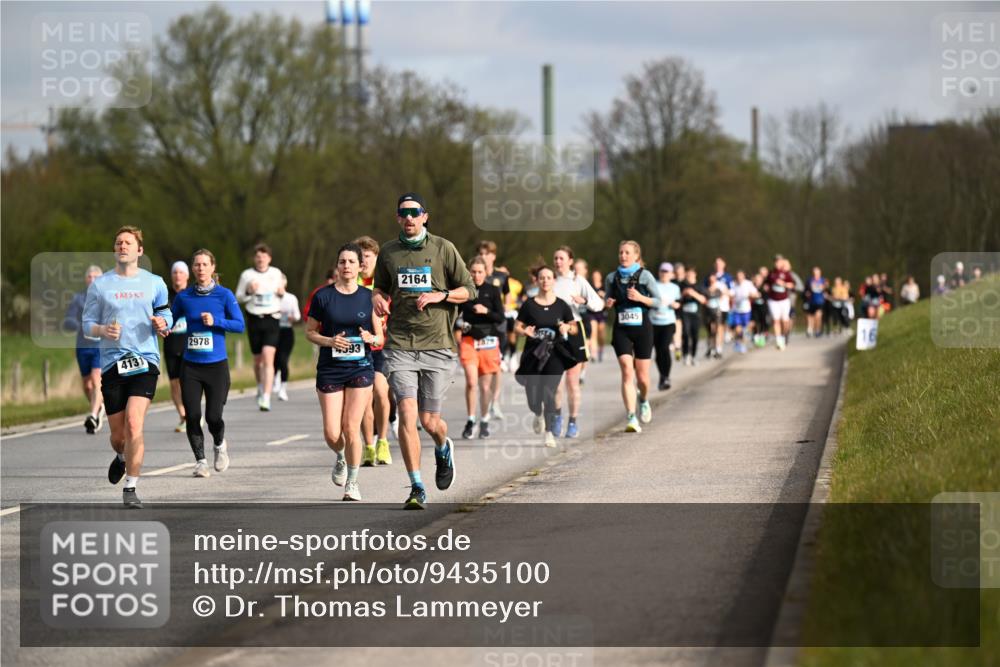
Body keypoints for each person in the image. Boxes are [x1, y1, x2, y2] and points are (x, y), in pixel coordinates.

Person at [373, 193, 475, 510]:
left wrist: (439, 295)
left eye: (415, 213)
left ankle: (443, 447)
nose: (409, 218)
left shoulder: (443, 248)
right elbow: (380, 286)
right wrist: (376, 297)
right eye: (403, 213)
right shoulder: (388, 252)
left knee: (431, 422)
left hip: (438, 345)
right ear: (397, 218)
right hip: (401, 344)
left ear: (425, 216)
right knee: (407, 414)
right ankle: (417, 486)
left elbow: (468, 290)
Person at [82, 226, 172, 508]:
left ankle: (130, 488)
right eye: (118, 242)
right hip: (112, 364)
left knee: (135, 424)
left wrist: (163, 324)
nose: (122, 246)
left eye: (128, 242)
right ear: (114, 250)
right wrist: (103, 330)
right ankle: (122, 456)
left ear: (139, 250)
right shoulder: (100, 285)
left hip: (146, 360)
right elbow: (87, 325)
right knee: (119, 436)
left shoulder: (155, 282)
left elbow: (165, 313)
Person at [306, 242, 384, 502]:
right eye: (343, 262)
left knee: (351, 427)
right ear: (337, 266)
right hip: (330, 368)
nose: (347, 266)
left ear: (360, 266)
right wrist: (330, 341)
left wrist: (370, 336)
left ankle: (353, 481)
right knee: (332, 433)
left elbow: (379, 336)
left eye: (352, 262)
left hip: (360, 367)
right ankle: (340, 455)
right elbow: (310, 332)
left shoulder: (369, 297)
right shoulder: (322, 296)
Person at [171, 249, 245, 478]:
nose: (201, 268)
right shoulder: (184, 297)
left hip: (216, 366)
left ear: (213, 268)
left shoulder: (224, 295)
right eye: (197, 265)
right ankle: (200, 461)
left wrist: (216, 322)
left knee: (213, 417)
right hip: (191, 366)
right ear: (193, 269)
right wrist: (161, 325)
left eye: (205, 264)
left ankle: (220, 444)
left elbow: (239, 325)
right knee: (192, 415)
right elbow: (170, 319)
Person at [514, 265, 578, 447]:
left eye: (549, 278)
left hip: (555, 353)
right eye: (542, 278)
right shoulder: (529, 304)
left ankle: (549, 432)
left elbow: (573, 327)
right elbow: (516, 327)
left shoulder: (561, 305)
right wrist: (524, 331)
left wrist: (567, 328)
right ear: (537, 280)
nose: (545, 281)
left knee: (549, 392)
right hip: (533, 354)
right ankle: (537, 413)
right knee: (534, 397)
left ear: (554, 281)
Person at [604, 241, 658, 433]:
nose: (623, 256)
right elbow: (607, 300)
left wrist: (641, 298)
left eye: (627, 253)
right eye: (620, 253)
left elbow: (659, 301)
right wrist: (607, 303)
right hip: (622, 329)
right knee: (627, 371)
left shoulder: (646, 276)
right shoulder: (612, 278)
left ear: (636, 255)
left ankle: (643, 399)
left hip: (643, 328)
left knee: (642, 378)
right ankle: (631, 417)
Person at [552, 246, 604, 438]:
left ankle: (572, 422)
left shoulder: (577, 280)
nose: (558, 262)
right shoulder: (550, 280)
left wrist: (584, 301)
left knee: (572, 382)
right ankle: (557, 416)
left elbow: (598, 304)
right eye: (556, 258)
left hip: (574, 331)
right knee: (555, 382)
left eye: (562, 258)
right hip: (555, 333)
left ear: (570, 261)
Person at [355, 235, 394, 466]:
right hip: (359, 347)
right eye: (359, 257)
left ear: (376, 258)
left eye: (367, 257)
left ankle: (383, 441)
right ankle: (369, 446)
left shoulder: (385, 283)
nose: (362, 262)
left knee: (381, 391)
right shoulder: (352, 283)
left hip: (382, 346)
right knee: (365, 397)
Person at [456, 257, 505, 439]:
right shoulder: (464, 292)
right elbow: (454, 315)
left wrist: (486, 311)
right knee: (471, 382)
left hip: (489, 342)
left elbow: (501, 317)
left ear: (486, 273)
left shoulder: (492, 290)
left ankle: (484, 420)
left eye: (480, 272)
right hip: (469, 341)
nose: (476, 275)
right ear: (469, 272)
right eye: (473, 272)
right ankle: (470, 420)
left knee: (485, 388)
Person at [235, 243, 285, 411]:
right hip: (254, 318)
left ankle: (266, 396)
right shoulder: (247, 275)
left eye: (264, 256)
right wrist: (249, 290)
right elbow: (239, 297)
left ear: (269, 258)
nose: (261, 259)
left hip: (272, 317)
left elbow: (283, 294)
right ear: (254, 259)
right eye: (258, 256)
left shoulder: (276, 273)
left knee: (268, 357)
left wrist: (281, 292)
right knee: (257, 360)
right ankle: (259, 385)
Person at [64, 265, 105, 434]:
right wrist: (81, 326)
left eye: (96, 277)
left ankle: (93, 415)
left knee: (96, 381)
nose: (93, 280)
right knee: (87, 386)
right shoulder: (78, 299)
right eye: (90, 277)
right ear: (85, 279)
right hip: (82, 346)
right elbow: (68, 321)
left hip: (100, 346)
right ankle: (99, 407)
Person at [476, 241, 510, 418]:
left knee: (496, 366)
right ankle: (486, 401)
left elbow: (508, 294)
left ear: (493, 256)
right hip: (479, 325)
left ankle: (495, 402)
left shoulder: (501, 275)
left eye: (487, 253)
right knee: (483, 367)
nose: (484, 257)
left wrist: (507, 308)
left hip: (498, 324)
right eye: (481, 253)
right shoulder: (476, 274)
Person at [164, 261, 190, 432]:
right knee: (174, 383)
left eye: (181, 272)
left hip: (190, 344)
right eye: (175, 272)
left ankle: (192, 413)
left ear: (187, 276)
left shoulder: (192, 294)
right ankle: (184, 416)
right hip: (171, 344)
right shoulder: (165, 296)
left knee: (188, 382)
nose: (178, 275)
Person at [651, 262, 681, 390]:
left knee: (664, 348)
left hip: (668, 322)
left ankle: (666, 376)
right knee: (658, 352)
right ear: (659, 272)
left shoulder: (675, 287)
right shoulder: (653, 285)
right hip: (653, 322)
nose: (664, 273)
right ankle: (662, 376)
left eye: (667, 271)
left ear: (671, 274)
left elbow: (679, 304)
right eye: (662, 271)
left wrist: (674, 304)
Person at [273, 275, 300, 402]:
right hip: (273, 331)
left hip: (287, 331)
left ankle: (283, 389)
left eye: (281, 282)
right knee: (273, 359)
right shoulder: (271, 297)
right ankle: (275, 378)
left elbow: (298, 316)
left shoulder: (291, 298)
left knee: (283, 359)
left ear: (285, 283)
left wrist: (292, 318)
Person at [764, 255, 795, 350]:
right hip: (773, 300)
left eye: (779, 261)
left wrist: (784, 284)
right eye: (776, 261)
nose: (777, 263)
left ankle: (784, 335)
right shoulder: (771, 273)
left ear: (782, 263)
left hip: (784, 300)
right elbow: (766, 284)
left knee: (785, 321)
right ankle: (778, 340)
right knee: (776, 320)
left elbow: (792, 285)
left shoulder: (786, 273)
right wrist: (766, 287)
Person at [679, 266, 707, 364]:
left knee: (695, 336)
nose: (689, 276)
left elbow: (704, 300)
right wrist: (684, 293)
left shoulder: (699, 286)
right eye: (688, 274)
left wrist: (693, 293)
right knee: (686, 334)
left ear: (695, 274)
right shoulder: (682, 285)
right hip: (685, 314)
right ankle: (686, 355)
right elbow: (678, 299)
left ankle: (694, 356)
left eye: (691, 274)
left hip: (696, 315)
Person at [729, 270, 758, 354]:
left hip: (746, 310)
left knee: (745, 329)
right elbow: (731, 293)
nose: (739, 278)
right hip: (736, 310)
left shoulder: (748, 284)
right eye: (738, 276)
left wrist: (753, 295)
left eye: (741, 276)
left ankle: (743, 345)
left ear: (744, 276)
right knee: (738, 329)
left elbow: (755, 293)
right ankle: (738, 343)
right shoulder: (733, 284)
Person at [702, 273, 725, 359]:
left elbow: (724, 296)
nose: (712, 282)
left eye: (713, 280)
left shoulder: (718, 290)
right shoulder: (705, 290)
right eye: (710, 280)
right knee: (710, 332)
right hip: (708, 313)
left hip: (717, 313)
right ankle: (710, 348)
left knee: (717, 330)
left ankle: (718, 349)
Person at [588, 269, 608, 362]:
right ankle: (594, 353)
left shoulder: (604, 287)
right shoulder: (590, 287)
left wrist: (603, 295)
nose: (595, 278)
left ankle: (601, 350)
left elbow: (609, 299)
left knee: (601, 335)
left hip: (602, 313)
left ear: (600, 277)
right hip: (592, 312)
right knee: (593, 332)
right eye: (594, 276)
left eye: (597, 276)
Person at [805, 267, 828, 337]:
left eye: (817, 273)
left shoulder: (823, 280)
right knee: (810, 316)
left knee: (818, 316)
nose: (816, 274)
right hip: (811, 301)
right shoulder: (809, 280)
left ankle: (817, 330)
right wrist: (807, 293)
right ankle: (810, 329)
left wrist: (824, 288)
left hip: (820, 301)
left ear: (820, 273)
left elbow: (826, 289)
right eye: (814, 273)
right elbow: (806, 289)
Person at [750, 271, 769, 348]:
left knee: (763, 322)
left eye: (759, 279)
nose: (758, 281)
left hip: (763, 308)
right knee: (754, 322)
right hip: (754, 308)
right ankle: (755, 335)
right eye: (756, 279)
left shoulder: (765, 287)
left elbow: (766, 296)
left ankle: (762, 335)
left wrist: (760, 294)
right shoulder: (752, 287)